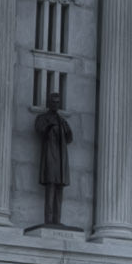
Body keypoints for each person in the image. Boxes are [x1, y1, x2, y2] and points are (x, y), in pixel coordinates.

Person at [35, 91, 75, 228]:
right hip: (50, 157)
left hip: (61, 159)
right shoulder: (43, 118)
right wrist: (49, 127)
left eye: (57, 102)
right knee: (50, 188)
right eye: (53, 102)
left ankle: (57, 220)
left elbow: (69, 138)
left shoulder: (62, 121)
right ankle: (49, 219)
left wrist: (67, 130)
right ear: (49, 103)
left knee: (59, 189)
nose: (55, 104)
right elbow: (39, 130)